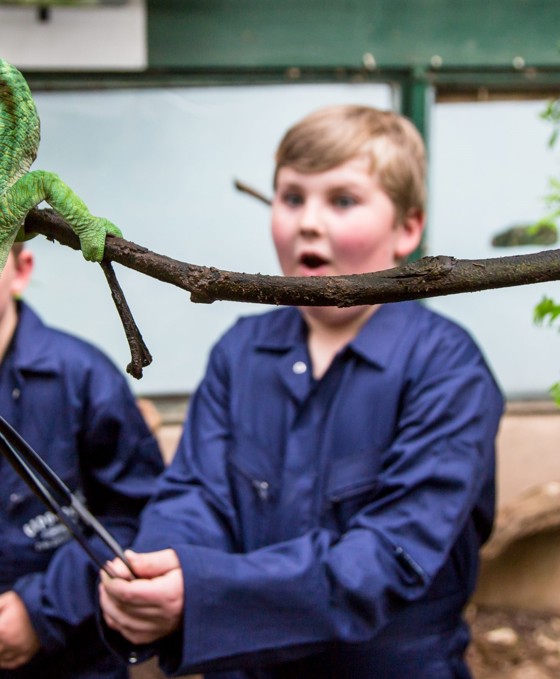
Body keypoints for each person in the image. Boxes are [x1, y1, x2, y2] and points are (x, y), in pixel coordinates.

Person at [99, 105, 504, 678]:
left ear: (409, 229)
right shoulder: (239, 354)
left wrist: (205, 590)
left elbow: (389, 555)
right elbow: (196, 492)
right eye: (291, 198)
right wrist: (159, 570)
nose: (307, 223)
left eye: (342, 200)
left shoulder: (447, 370)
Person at [0, 243, 164, 678]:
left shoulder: (85, 378)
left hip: (73, 657)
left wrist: (40, 612)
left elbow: (137, 516)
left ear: (21, 269)